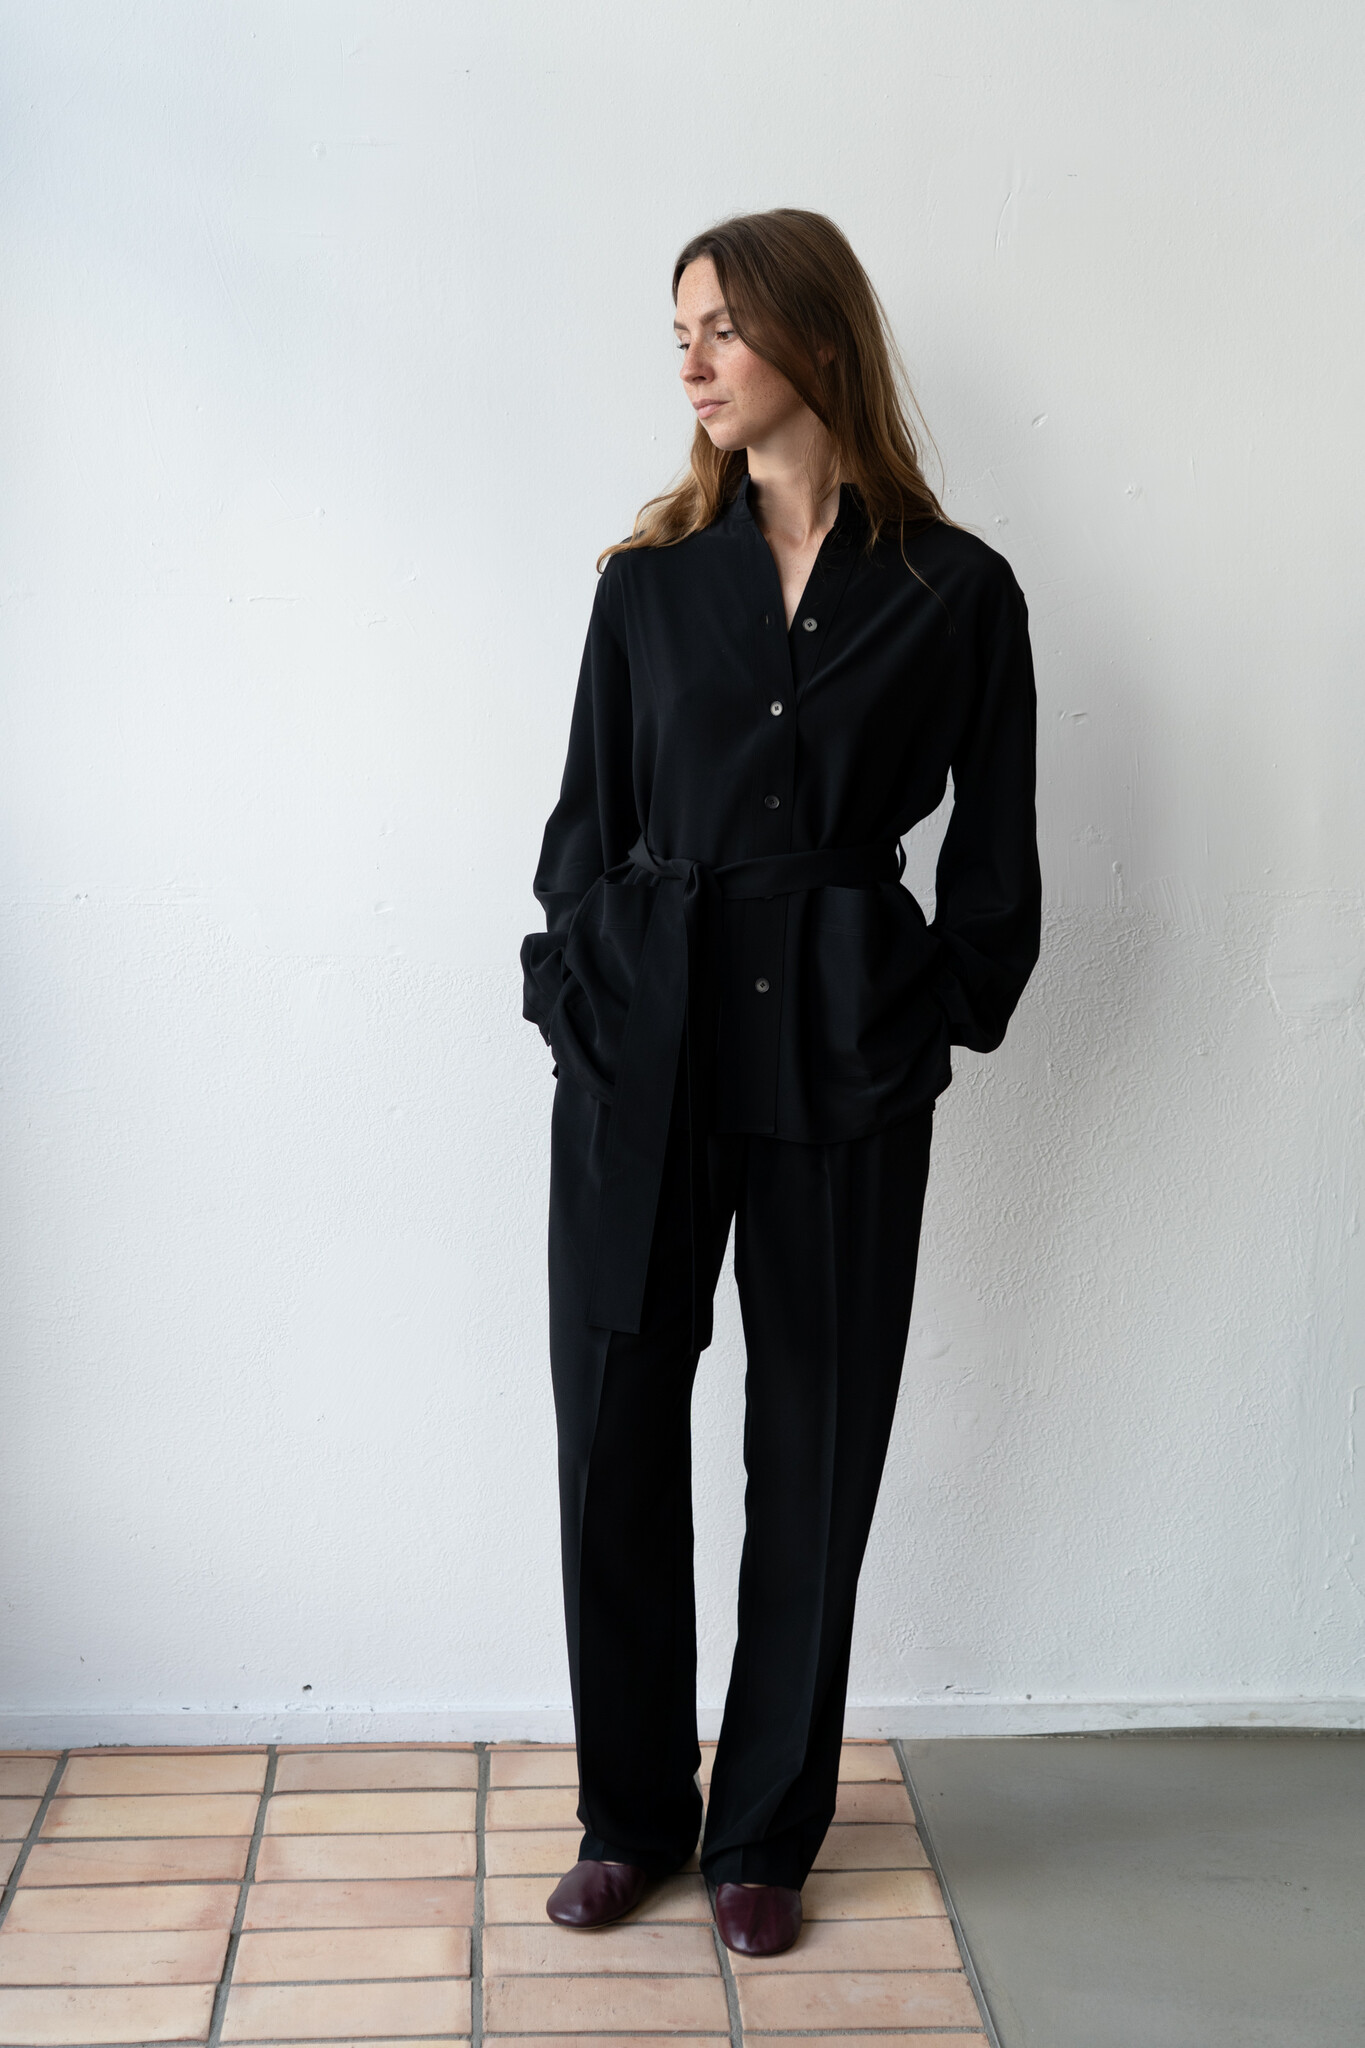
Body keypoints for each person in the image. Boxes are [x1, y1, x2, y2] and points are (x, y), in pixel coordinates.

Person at [519, 208, 1040, 1958]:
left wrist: (932, 1012)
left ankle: (762, 1833)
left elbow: (996, 861)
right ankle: (627, 1816)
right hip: (641, 1049)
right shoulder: (647, 586)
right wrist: (573, 995)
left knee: (815, 1445)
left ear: (814, 337)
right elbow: (583, 830)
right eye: (678, 329)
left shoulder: (954, 590)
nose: (690, 360)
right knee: (613, 1429)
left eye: (721, 326)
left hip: (839, 1053)